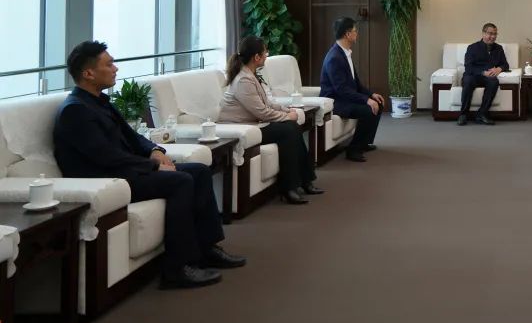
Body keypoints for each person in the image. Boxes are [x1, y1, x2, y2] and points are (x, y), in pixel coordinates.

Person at [53, 41, 245, 289]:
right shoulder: (75, 111)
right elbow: (106, 156)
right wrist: (152, 167)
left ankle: (207, 248)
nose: (115, 68)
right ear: (88, 73)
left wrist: (155, 151)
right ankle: (176, 268)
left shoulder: (99, 102)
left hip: (126, 171)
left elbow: (132, 137)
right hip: (109, 179)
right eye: (109, 64)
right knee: (181, 181)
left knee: (198, 171)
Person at [218, 36, 322, 204]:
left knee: (291, 128)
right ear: (256, 57)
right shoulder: (243, 80)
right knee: (288, 129)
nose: (267, 55)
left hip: (253, 124)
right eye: (265, 52)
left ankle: (304, 181)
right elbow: (262, 113)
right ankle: (290, 187)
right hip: (241, 128)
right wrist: (287, 117)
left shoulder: (250, 74)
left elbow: (267, 103)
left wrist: (287, 110)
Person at [319, 16, 384, 162]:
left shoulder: (345, 53)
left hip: (345, 97)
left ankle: (364, 143)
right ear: (347, 34)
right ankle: (353, 150)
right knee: (368, 110)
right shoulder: (335, 57)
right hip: (335, 101)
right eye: (355, 31)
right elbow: (341, 90)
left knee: (378, 103)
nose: (357, 33)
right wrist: (366, 100)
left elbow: (356, 84)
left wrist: (371, 95)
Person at [457, 23, 509, 126]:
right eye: (490, 33)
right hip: (473, 75)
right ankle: (463, 114)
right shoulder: (472, 47)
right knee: (468, 81)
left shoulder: (498, 48)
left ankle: (482, 113)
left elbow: (505, 64)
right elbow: (468, 66)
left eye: (495, 34)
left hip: (488, 77)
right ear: (483, 33)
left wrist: (499, 69)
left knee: (494, 82)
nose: (492, 36)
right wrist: (483, 72)